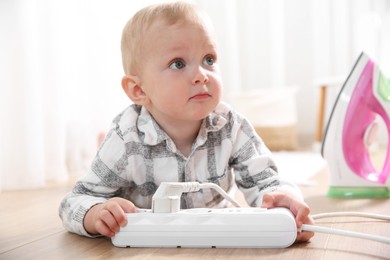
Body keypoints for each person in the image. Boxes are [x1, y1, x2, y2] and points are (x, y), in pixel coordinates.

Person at [59, 1, 314, 242]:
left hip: (215, 238)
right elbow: (75, 201)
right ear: (138, 90)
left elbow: (267, 184)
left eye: (209, 59)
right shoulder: (126, 137)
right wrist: (96, 214)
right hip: (150, 243)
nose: (201, 75)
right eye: (178, 63)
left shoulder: (231, 126)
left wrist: (286, 202)